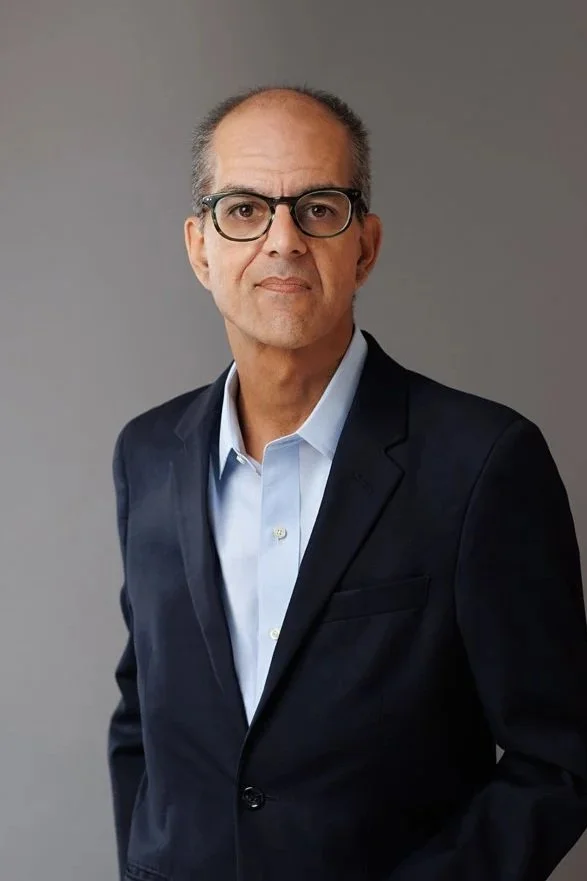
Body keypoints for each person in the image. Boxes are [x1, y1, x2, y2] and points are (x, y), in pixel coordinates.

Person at [108, 85, 587, 881]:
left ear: (363, 245)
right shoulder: (147, 453)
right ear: (200, 247)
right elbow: (143, 719)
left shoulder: (480, 460)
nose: (282, 241)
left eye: (318, 208)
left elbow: (561, 753)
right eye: (244, 209)